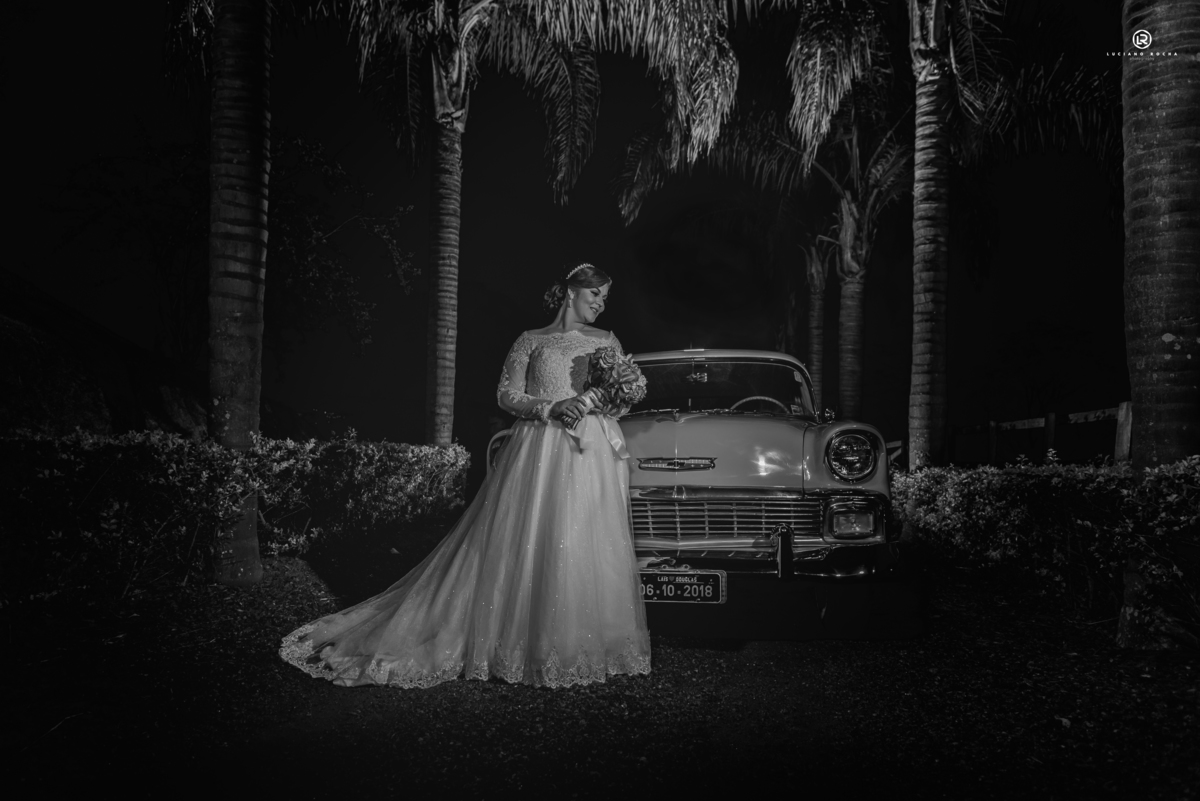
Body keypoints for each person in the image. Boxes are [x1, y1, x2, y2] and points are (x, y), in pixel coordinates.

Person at [279, 263, 650, 688]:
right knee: (528, 536)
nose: (601, 304)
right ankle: (521, 639)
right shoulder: (531, 340)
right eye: (595, 294)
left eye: (605, 297)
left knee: (586, 536)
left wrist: (603, 399)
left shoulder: (607, 341)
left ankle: (584, 643)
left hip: (591, 450)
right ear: (571, 292)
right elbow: (506, 395)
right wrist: (550, 407)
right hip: (539, 448)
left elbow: (621, 400)